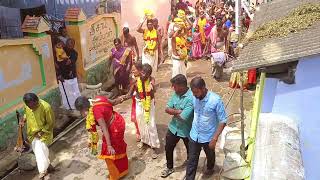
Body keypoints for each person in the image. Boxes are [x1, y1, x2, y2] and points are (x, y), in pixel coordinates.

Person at [74, 95, 128, 180]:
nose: (82, 114)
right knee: (118, 149)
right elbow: (113, 102)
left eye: (81, 111)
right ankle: (122, 171)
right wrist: (123, 98)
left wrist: (109, 146)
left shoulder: (96, 112)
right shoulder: (98, 99)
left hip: (115, 128)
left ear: (84, 108)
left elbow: (104, 128)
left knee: (108, 154)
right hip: (118, 120)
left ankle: (115, 176)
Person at [186, 77, 227, 180]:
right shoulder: (194, 96)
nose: (194, 95)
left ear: (203, 88)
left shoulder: (216, 100)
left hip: (209, 137)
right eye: (193, 93)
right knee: (191, 161)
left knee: (210, 155)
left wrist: (215, 138)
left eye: (196, 92)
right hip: (194, 135)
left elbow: (223, 120)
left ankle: (210, 167)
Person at [121, 64, 160, 158]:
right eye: (141, 72)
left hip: (149, 104)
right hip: (139, 103)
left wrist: (152, 87)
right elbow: (130, 94)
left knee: (150, 124)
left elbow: (153, 89)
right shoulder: (136, 81)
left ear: (148, 75)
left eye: (144, 74)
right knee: (141, 122)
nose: (142, 75)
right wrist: (122, 98)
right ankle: (144, 140)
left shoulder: (151, 80)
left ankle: (153, 146)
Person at [161, 74, 194, 178]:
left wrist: (175, 112)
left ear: (182, 86)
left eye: (174, 86)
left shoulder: (191, 98)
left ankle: (190, 164)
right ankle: (169, 167)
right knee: (168, 147)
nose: (173, 88)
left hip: (187, 130)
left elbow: (184, 117)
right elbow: (166, 109)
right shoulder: (176, 94)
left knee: (190, 150)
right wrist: (179, 111)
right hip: (174, 127)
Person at [19, 93, 55, 179]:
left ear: (37, 101)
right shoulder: (27, 105)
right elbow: (26, 113)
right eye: (30, 106)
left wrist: (42, 132)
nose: (32, 108)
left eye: (34, 106)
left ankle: (42, 172)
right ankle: (49, 166)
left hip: (44, 133)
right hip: (31, 133)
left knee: (39, 151)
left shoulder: (46, 107)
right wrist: (23, 120)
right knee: (42, 151)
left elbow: (51, 122)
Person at [57, 38, 81, 110]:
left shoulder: (74, 53)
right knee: (65, 94)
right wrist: (58, 74)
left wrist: (66, 59)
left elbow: (70, 62)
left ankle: (78, 106)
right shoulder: (61, 51)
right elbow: (56, 63)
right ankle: (68, 108)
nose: (69, 47)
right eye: (67, 45)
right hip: (63, 77)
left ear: (73, 46)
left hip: (72, 76)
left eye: (71, 45)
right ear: (66, 44)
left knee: (75, 92)